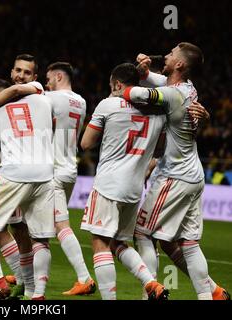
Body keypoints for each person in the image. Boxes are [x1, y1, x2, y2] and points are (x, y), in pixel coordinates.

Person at [127, 45, 230, 300]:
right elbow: (158, 80)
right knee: (188, 243)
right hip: (193, 175)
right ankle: (212, 295)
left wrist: (127, 79)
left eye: (172, 54)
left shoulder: (173, 94)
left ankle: (150, 295)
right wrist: (146, 70)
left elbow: (137, 94)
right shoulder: (188, 88)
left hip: (175, 177)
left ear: (181, 65)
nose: (167, 55)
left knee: (142, 233)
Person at [80, 63, 168, 300]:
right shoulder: (158, 112)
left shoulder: (107, 105)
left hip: (108, 183)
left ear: (117, 84)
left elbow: (86, 143)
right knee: (119, 243)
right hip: (134, 187)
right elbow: (161, 147)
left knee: (100, 242)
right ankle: (152, 283)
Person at [0, 75, 55, 300]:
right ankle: (35, 294)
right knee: (40, 239)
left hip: (14, 174)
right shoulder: (40, 96)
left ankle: (0, 281)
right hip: (45, 174)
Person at [44, 62, 96, 295]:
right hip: (70, 170)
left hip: (53, 171)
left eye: (48, 78)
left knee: (59, 225)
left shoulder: (50, 99)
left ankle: (84, 277)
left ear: (58, 76)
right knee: (44, 223)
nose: (46, 83)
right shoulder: (82, 102)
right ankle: (29, 275)